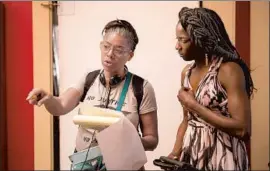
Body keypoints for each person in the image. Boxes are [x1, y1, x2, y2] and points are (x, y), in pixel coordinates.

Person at [26, 19, 159, 170]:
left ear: (130, 55)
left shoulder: (141, 87)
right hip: (85, 165)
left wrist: (128, 139)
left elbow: (152, 141)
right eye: (106, 46)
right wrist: (49, 99)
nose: (109, 54)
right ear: (101, 46)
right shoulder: (89, 79)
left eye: (118, 50)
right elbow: (61, 106)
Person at [168, 7, 254, 170]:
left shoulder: (228, 70)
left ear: (201, 39)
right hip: (192, 156)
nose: (177, 46)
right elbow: (188, 120)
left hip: (224, 157)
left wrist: (194, 105)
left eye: (183, 40)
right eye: (177, 39)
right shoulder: (186, 73)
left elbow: (243, 129)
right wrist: (174, 154)